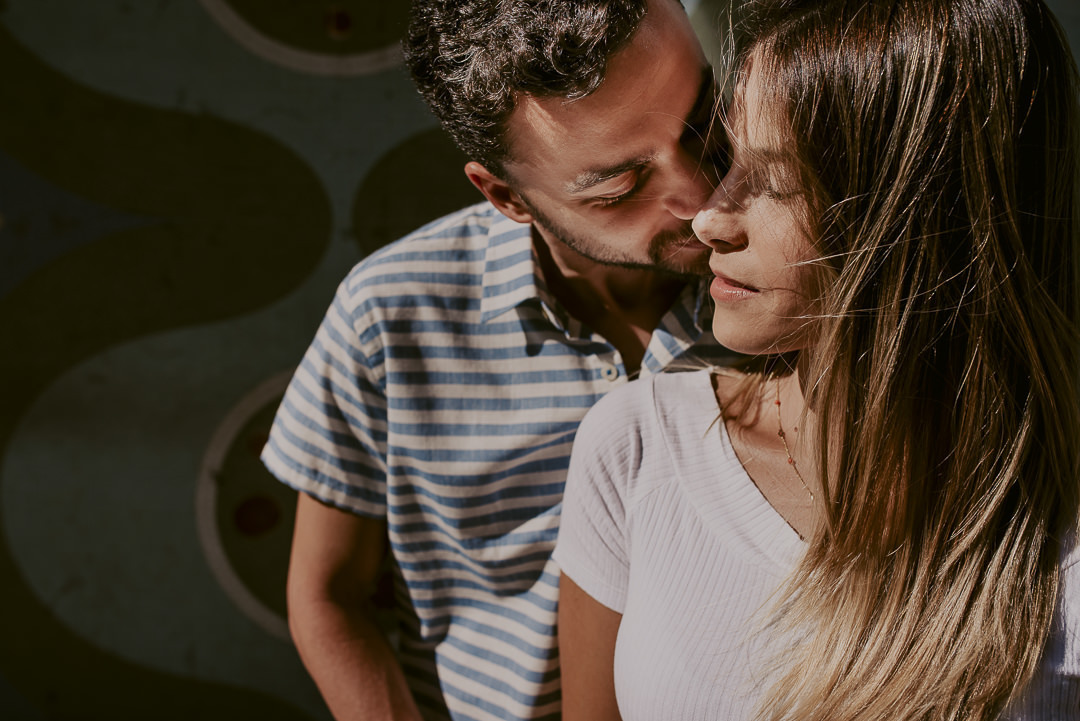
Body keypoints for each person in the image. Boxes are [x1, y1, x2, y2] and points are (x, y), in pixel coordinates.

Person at [554, 0, 1080, 719]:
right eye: (729, 158)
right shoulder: (637, 445)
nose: (708, 215)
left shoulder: (1059, 533)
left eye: (772, 180)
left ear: (923, 214)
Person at [260, 0, 734, 719]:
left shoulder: (794, 282)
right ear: (505, 196)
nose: (701, 196)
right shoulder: (391, 317)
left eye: (705, 123)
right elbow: (327, 595)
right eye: (620, 187)